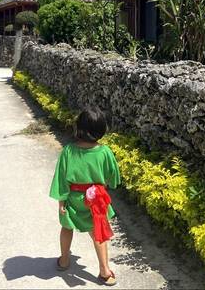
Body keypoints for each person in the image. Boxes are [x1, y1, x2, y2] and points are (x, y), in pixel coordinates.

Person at [49, 111, 121, 286]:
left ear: (79, 128)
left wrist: (61, 202)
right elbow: (114, 178)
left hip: (73, 198)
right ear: (102, 130)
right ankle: (104, 271)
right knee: (98, 232)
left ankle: (64, 260)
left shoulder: (68, 151)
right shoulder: (105, 152)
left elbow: (61, 178)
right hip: (96, 199)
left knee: (67, 227)